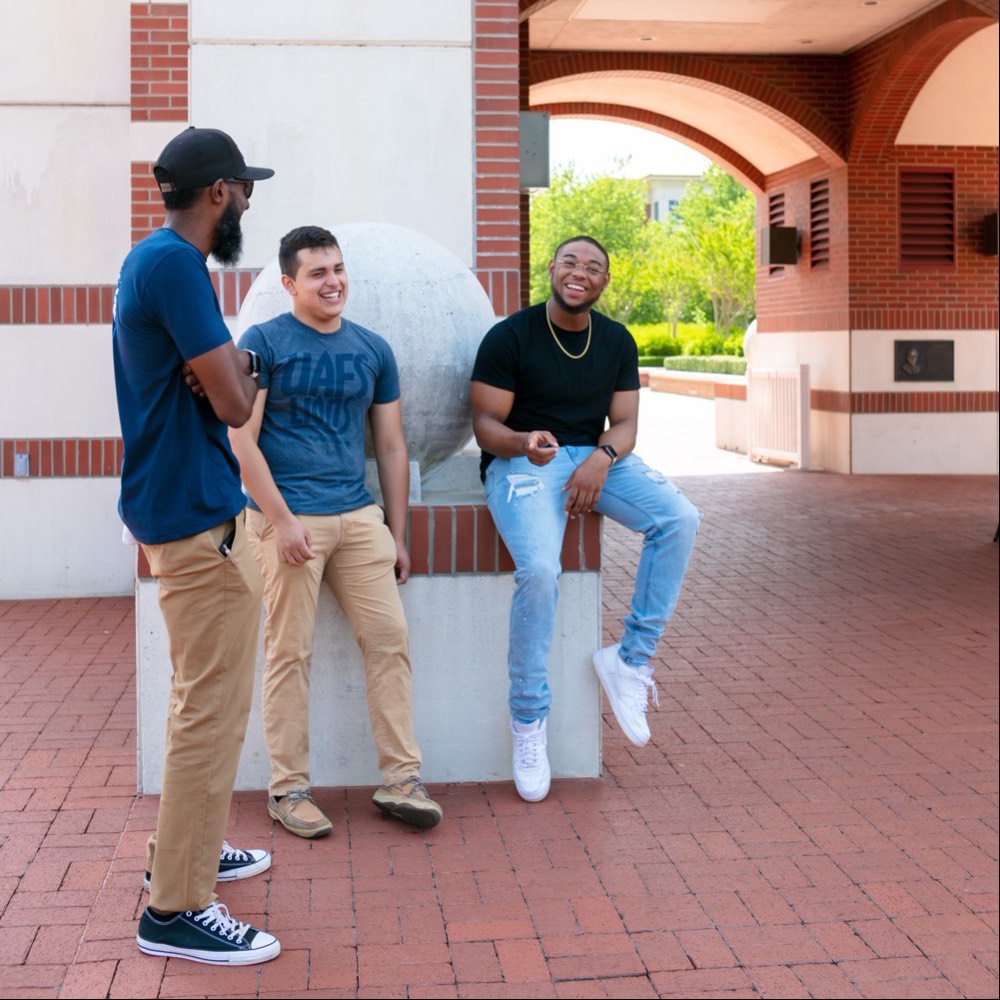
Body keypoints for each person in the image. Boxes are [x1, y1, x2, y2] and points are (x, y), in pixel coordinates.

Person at [112, 126, 280, 965]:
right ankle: (175, 908)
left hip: (180, 511)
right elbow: (234, 405)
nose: (248, 200)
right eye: (242, 188)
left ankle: (192, 850)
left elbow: (223, 378)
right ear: (218, 193)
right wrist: (242, 371)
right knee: (209, 713)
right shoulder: (177, 266)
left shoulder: (153, 262)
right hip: (194, 516)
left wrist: (233, 363)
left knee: (201, 702)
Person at [229, 225, 443, 838]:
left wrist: (396, 534)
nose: (333, 282)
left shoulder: (373, 349)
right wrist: (280, 519)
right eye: (318, 273)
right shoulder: (264, 343)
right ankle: (288, 789)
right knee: (288, 654)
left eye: (339, 269)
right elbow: (241, 439)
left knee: (389, 643)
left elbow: (393, 446)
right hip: (287, 521)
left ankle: (401, 779)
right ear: (290, 283)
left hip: (358, 520)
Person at [470, 235, 700, 803]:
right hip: (524, 462)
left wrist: (602, 457)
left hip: (595, 458)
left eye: (593, 267)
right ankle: (528, 720)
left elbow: (624, 424)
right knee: (541, 570)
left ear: (604, 282)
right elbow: (484, 425)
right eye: (571, 262)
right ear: (552, 270)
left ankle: (629, 660)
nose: (580, 273)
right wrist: (525, 442)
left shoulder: (616, 341)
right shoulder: (510, 336)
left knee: (680, 519)